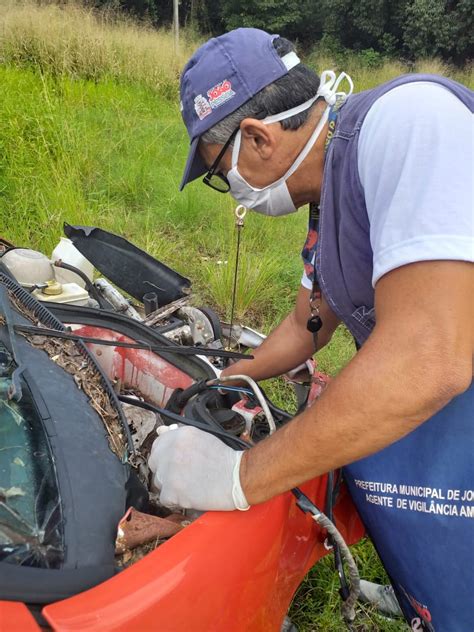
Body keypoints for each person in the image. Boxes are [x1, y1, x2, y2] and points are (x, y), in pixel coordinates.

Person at [148, 28, 473, 631]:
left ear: (257, 137)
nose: (231, 191)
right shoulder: (328, 197)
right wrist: (223, 377)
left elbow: (431, 356)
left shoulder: (411, 124)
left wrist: (239, 477)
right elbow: (307, 322)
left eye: (222, 173)